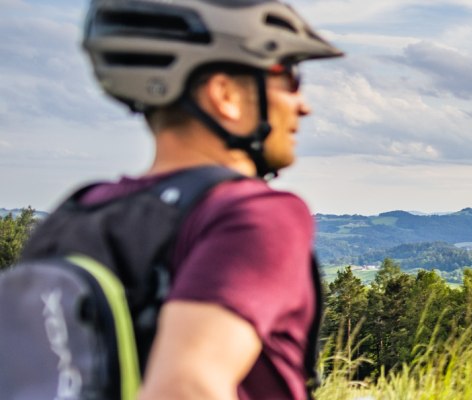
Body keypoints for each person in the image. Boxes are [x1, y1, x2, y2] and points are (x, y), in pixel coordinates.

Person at [77, 0, 342, 398]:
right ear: (225, 94)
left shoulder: (80, 211)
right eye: (288, 78)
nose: (303, 105)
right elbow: (186, 387)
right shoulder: (254, 214)